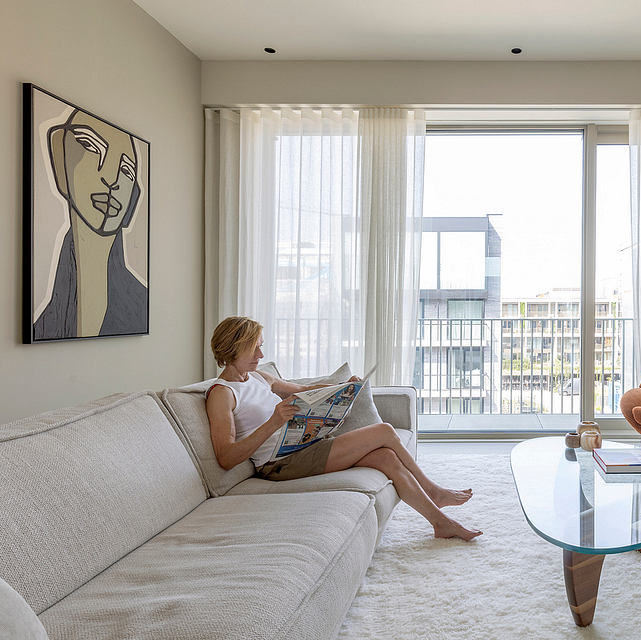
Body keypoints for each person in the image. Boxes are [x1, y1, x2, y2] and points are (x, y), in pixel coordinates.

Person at [205, 316, 482, 541]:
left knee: (386, 457)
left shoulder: (257, 376)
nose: (261, 354)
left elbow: (303, 390)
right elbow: (226, 456)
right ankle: (433, 491)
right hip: (278, 464)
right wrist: (274, 423)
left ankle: (440, 523)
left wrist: (344, 388)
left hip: (301, 447)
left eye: (260, 346)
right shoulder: (222, 393)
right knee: (384, 431)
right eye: (254, 348)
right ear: (233, 348)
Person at [33, 108, 147, 340]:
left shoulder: (139, 306)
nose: (112, 179)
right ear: (59, 157)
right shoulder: (45, 324)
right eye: (91, 146)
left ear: (133, 197)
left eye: (126, 170)